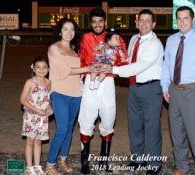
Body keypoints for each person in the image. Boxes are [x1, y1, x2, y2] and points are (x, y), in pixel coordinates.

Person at [101, 9, 164, 175]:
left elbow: (138, 66)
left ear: (153, 24)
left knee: (152, 127)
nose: (143, 23)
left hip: (151, 88)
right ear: (137, 22)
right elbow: (129, 60)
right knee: (135, 125)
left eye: (147, 20)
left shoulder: (155, 44)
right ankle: (138, 159)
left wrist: (112, 68)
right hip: (134, 88)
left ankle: (154, 163)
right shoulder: (135, 39)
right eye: (141, 20)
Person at [160, 6, 195, 175]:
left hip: (193, 92)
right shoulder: (171, 40)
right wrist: (165, 87)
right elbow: (166, 65)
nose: (182, 22)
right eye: (179, 18)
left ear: (193, 19)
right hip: (174, 91)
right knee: (177, 134)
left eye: (186, 18)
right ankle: (181, 167)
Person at [44, 18, 98, 175]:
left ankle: (63, 160)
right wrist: (87, 68)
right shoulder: (54, 48)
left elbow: (79, 70)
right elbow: (65, 69)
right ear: (60, 31)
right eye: (66, 29)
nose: (69, 32)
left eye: (72, 29)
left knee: (69, 129)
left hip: (76, 93)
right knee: (61, 129)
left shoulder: (75, 49)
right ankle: (50, 164)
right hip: (59, 92)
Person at [77, 7, 128, 174]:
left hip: (107, 81)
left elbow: (124, 60)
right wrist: (82, 75)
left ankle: (103, 160)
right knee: (87, 117)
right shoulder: (85, 38)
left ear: (105, 22)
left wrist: (111, 66)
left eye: (100, 21)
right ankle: (85, 161)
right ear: (90, 23)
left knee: (108, 116)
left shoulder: (115, 38)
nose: (97, 25)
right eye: (94, 22)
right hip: (90, 80)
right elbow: (81, 58)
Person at [20, 56, 53, 175]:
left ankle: (37, 166)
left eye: (44, 67)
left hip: (43, 118)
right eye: (38, 67)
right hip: (31, 117)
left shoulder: (49, 82)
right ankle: (29, 167)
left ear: (48, 69)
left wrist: (49, 108)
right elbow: (23, 100)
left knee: (38, 141)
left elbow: (48, 99)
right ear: (33, 69)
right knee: (30, 141)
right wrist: (36, 110)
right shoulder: (30, 82)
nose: (41, 70)